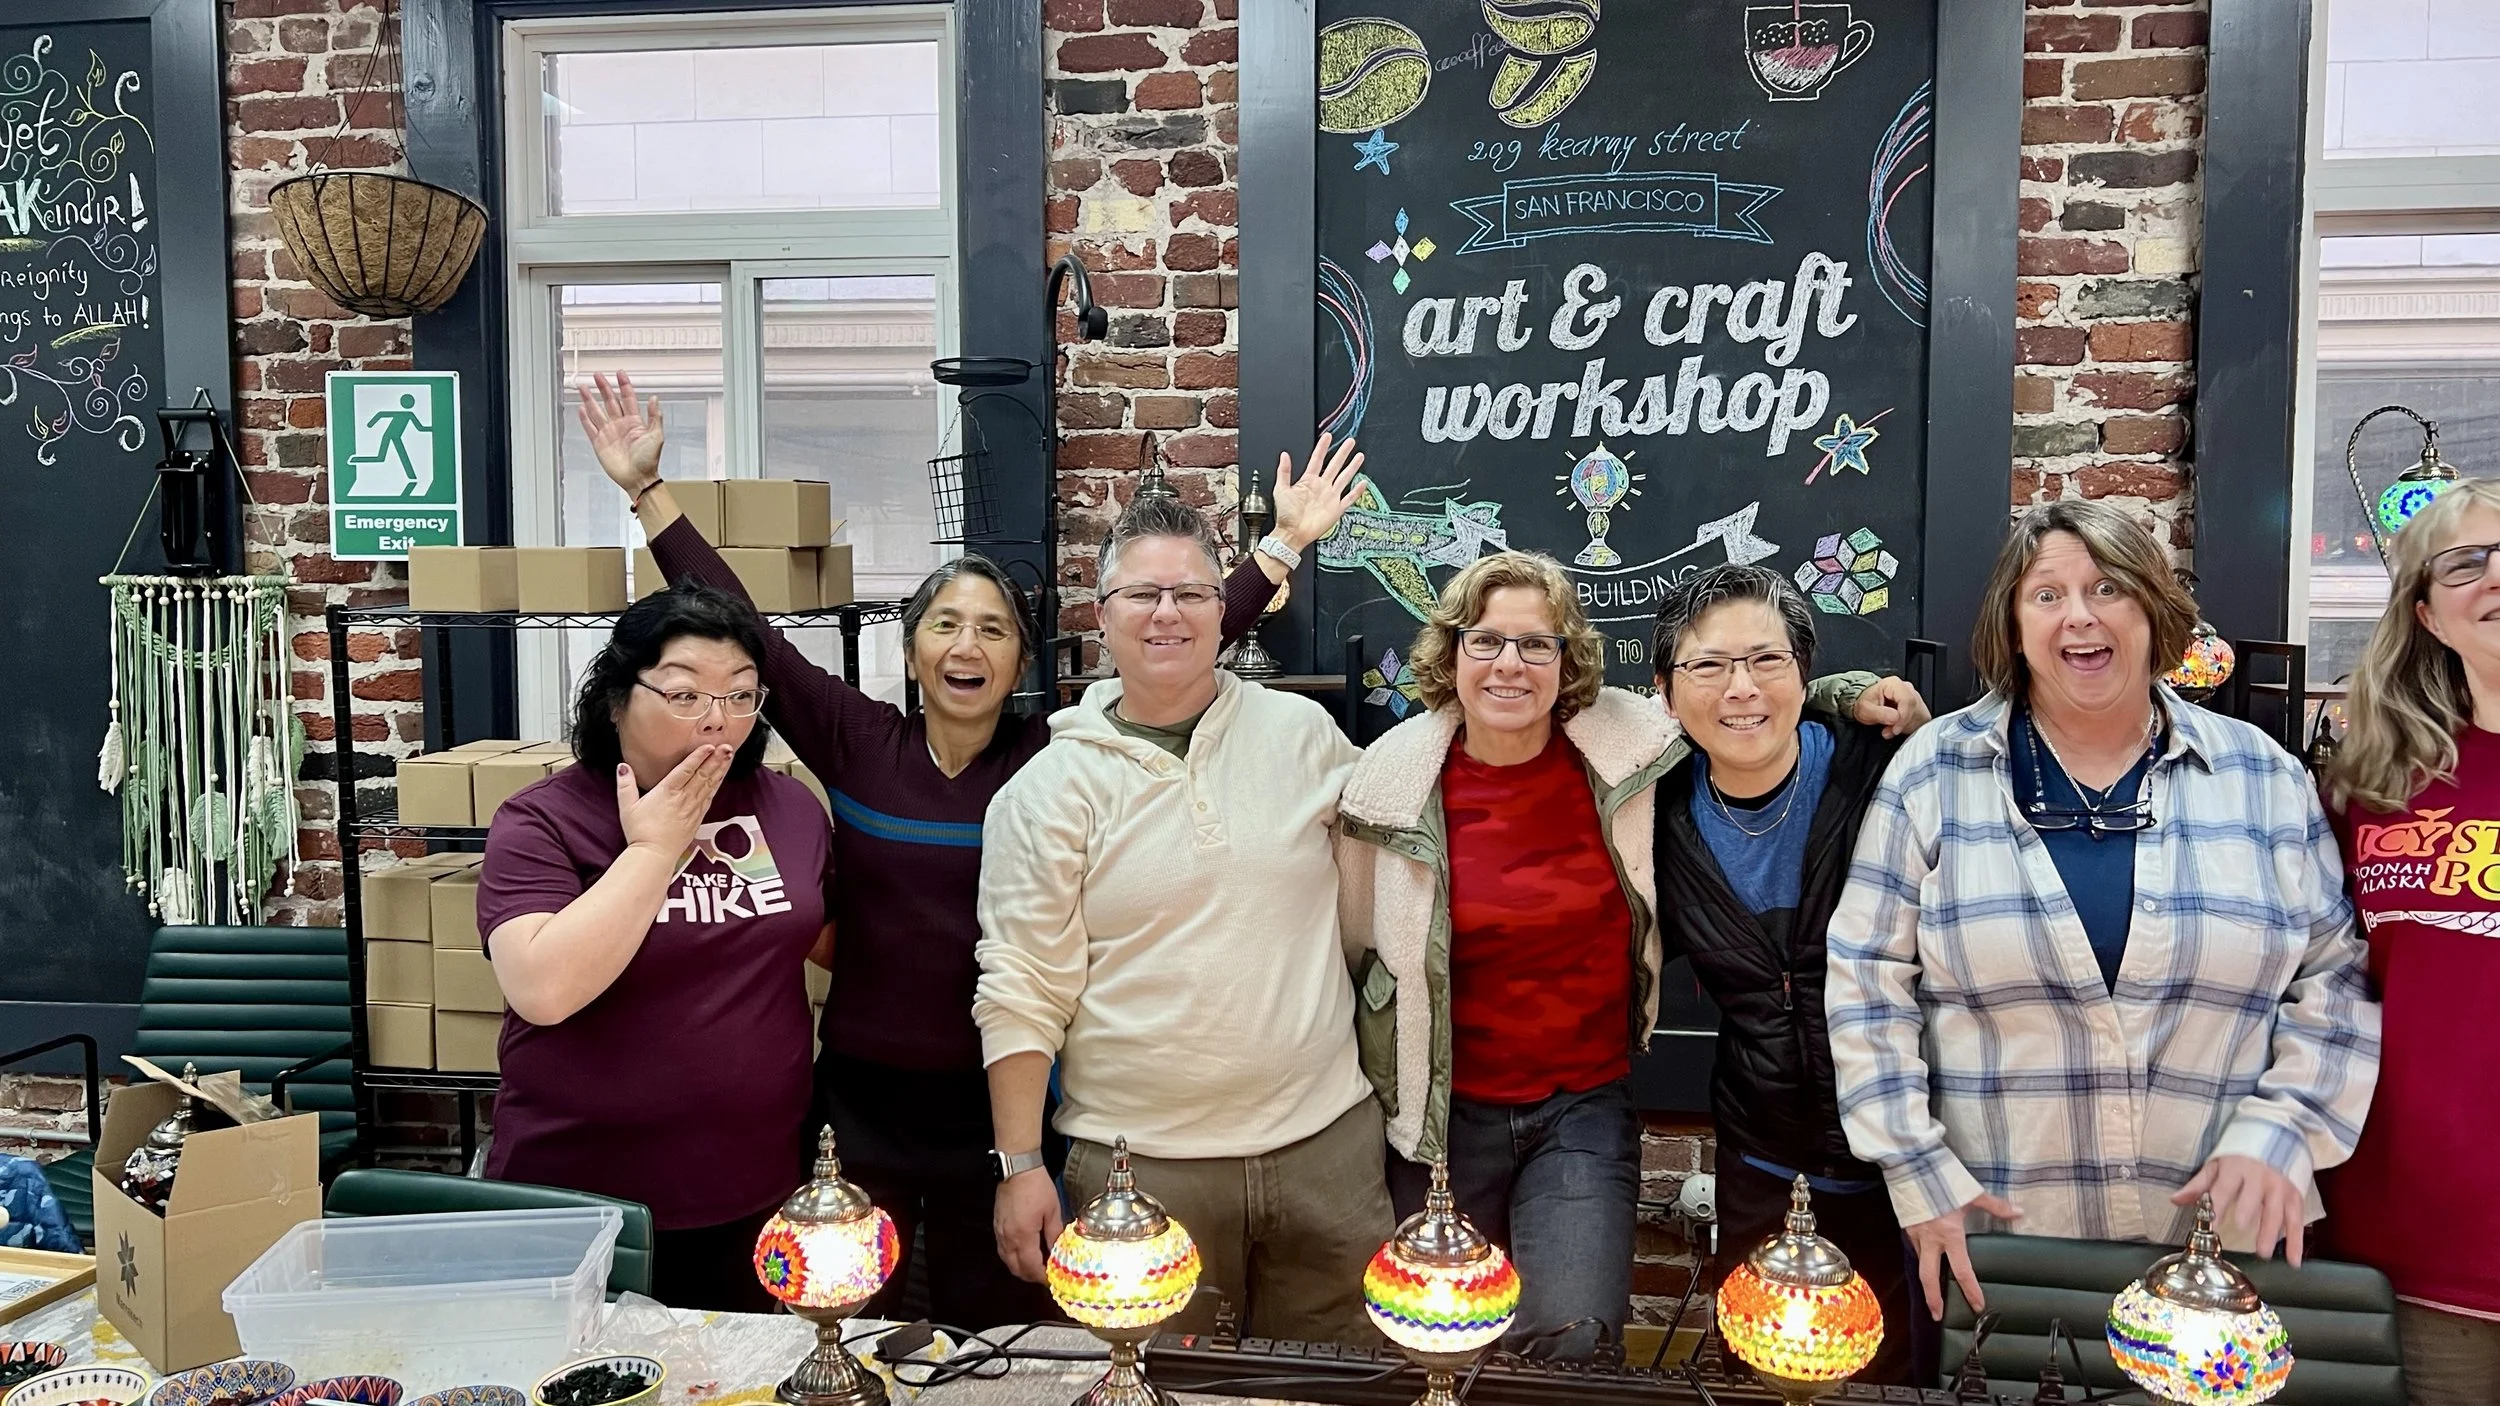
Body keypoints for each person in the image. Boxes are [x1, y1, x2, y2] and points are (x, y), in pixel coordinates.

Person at [575, 372, 1365, 1328]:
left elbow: (1173, 637)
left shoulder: (1052, 757)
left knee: (994, 1339)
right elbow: (751, 636)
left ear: (1020, 660)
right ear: (913, 652)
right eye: (946, 623)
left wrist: (1282, 546)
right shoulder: (858, 744)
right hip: (859, 1102)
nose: (968, 642)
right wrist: (648, 493)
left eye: (993, 627)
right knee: (843, 1331)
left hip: (1000, 1113)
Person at [1332, 552, 1922, 1361]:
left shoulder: (1625, 758)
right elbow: (1360, 948)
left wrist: (1844, 691)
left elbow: (1742, 700)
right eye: (1486, 641)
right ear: (1450, 652)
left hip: (1581, 1106)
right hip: (1443, 1119)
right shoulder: (1388, 785)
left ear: (1568, 659)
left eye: (1538, 644)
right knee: (1437, 1344)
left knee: (1573, 1344)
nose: (1511, 664)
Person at [1825, 500, 2381, 1326]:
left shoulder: (2262, 775)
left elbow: (2335, 977)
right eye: (2046, 594)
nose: (2079, 616)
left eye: (2109, 587)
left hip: (2225, 1244)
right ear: (2013, 625)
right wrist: (1914, 1170)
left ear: (2157, 614)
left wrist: (2290, 1131)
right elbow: (1868, 987)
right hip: (2001, 1241)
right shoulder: (1931, 774)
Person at [977, 495, 1390, 1346]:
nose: (1168, 613)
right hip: (1140, 1171)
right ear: (1103, 614)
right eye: (1142, 595)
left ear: (1223, 609)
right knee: (1157, 1390)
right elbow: (1021, 988)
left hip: (1327, 1154)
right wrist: (1019, 1167)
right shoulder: (1045, 794)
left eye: (1193, 594)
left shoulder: (1303, 732)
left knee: (1347, 1387)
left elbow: (1396, 840)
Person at [479, 584, 832, 1312]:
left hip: (754, 1187)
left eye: (740, 697)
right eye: (683, 696)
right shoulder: (543, 821)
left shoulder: (789, 807)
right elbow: (542, 989)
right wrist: (655, 846)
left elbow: (823, 938)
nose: (717, 723)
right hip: (579, 1199)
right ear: (616, 699)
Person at [1647, 564, 1922, 1384]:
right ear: (1665, 690)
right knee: (1763, 1366)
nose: (1741, 689)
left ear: (1805, 674)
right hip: (1761, 1151)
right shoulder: (1651, 813)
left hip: (1902, 1151)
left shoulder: (1885, 774)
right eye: (1708, 665)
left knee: (1902, 1369)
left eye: (1767, 661)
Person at [2320, 478, 2500, 1406]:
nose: (2495, 578)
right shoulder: (2375, 784)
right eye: (2467, 562)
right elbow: (2324, 988)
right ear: (2427, 613)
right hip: (2413, 1251)